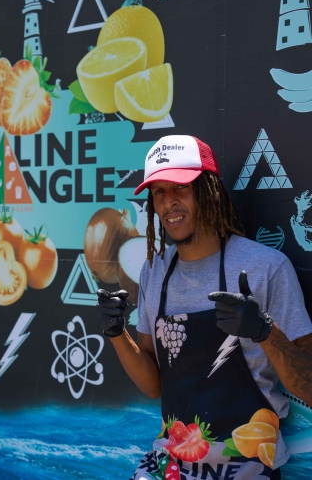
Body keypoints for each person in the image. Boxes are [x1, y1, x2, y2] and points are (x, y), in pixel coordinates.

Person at [95, 135, 312, 480]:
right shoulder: (154, 271)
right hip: (171, 466)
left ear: (209, 189)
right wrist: (117, 335)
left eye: (181, 187)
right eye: (159, 192)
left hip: (247, 466)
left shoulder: (267, 267)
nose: (169, 203)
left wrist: (264, 331)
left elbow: (308, 387)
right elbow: (155, 386)